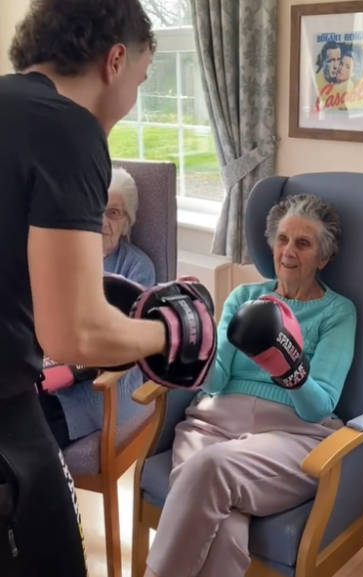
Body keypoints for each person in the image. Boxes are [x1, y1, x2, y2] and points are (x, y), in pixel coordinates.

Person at [0, 2, 216, 576]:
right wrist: (174, 331)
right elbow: (75, 331)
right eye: (143, 79)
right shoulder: (66, 128)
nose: (135, 98)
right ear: (115, 60)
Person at [144, 194, 358, 577]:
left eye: (304, 243)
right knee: (224, 529)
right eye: (282, 239)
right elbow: (217, 379)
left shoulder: (338, 311)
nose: (288, 251)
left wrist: (287, 364)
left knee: (209, 469)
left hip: (292, 434)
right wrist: (193, 345)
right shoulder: (244, 297)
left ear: (323, 258)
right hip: (212, 424)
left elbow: (318, 407)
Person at [38, 167, 156, 449]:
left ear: (127, 221)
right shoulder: (66, 257)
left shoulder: (137, 268)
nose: (103, 220)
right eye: (96, 209)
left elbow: (125, 344)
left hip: (107, 387)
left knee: (25, 436)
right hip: (49, 372)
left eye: (113, 213)